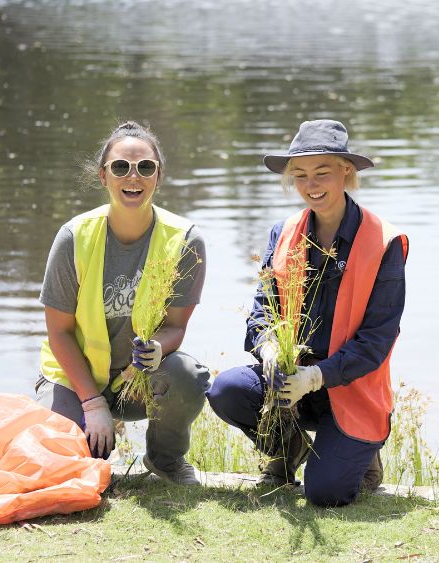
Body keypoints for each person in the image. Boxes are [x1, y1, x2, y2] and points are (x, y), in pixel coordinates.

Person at [207, 119, 408, 507]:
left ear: (345, 173)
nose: (311, 185)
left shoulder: (385, 241)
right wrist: (267, 349)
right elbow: (263, 309)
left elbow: (376, 342)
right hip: (288, 380)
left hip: (349, 388)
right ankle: (289, 448)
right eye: (299, 175)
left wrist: (316, 376)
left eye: (322, 173)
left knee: (326, 493)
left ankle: (364, 454)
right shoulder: (283, 232)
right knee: (227, 390)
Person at [35, 121, 210, 486]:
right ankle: (87, 427)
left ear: (158, 177)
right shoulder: (73, 237)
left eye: (146, 167)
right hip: (75, 377)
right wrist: (92, 403)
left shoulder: (185, 240)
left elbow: (177, 325)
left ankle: (165, 460)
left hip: (137, 382)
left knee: (187, 375)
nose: (134, 176)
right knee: (67, 470)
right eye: (121, 167)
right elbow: (60, 333)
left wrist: (159, 347)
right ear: (103, 176)